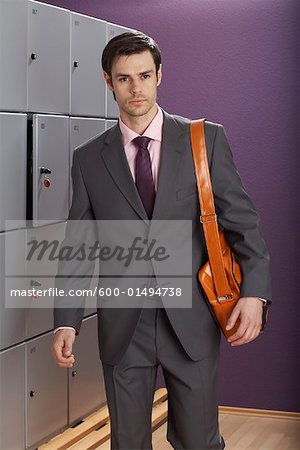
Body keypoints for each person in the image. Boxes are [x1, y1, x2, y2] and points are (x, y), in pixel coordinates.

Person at [52, 31, 271, 450]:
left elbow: (245, 225)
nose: (136, 88)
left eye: (144, 75)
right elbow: (78, 247)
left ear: (159, 76)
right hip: (123, 327)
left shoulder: (205, 140)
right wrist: (66, 319)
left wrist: (255, 294)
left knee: (199, 441)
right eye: (123, 79)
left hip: (191, 320)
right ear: (107, 81)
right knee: (127, 443)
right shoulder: (88, 159)